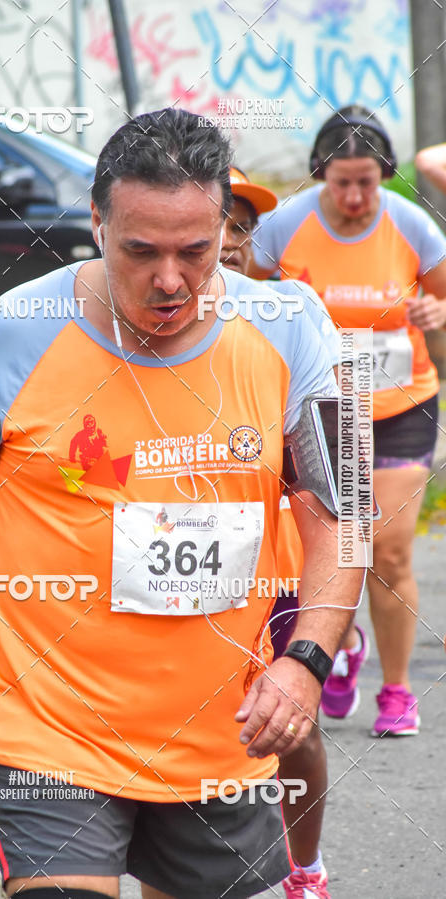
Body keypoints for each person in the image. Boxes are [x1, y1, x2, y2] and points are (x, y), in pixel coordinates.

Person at [0, 109, 363, 899]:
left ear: (224, 227)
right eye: (140, 250)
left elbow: (342, 515)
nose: (169, 279)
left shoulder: (293, 328)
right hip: (50, 727)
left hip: (221, 735)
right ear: (96, 223)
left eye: (194, 251)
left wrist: (306, 661)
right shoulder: (10, 333)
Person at [249, 104, 446, 738]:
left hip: (399, 407)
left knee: (386, 551)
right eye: (343, 181)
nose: (358, 195)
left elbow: (444, 320)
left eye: (370, 181)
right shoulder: (282, 228)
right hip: (319, 416)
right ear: (320, 175)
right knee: (319, 549)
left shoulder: (414, 228)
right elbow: (244, 312)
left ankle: (393, 689)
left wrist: (433, 321)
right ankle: (333, 644)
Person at [222, 166, 340, 898]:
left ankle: (304, 867)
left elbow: (342, 484)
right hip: (171, 581)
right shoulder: (114, 326)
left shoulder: (290, 315)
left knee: (294, 728)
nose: (229, 241)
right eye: (216, 223)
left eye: (240, 225)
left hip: (279, 571)